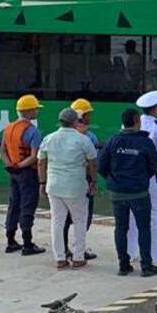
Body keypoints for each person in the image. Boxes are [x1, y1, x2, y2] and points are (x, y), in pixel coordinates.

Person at [98, 108, 157, 277]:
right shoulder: (145, 142)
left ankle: (123, 265)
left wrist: (115, 180)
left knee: (121, 228)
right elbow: (153, 167)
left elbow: (101, 167)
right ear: (137, 121)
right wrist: (140, 179)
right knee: (144, 228)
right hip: (139, 193)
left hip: (117, 193)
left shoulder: (113, 141)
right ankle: (146, 266)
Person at [37, 108, 97, 270]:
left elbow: (41, 162)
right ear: (75, 122)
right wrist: (93, 181)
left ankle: (60, 258)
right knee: (79, 220)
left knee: (57, 221)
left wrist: (42, 183)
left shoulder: (49, 138)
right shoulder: (83, 140)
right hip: (76, 186)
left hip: (54, 185)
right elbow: (92, 162)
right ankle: (78, 257)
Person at [127, 90, 157, 264]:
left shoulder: (130, 126)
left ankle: (131, 252)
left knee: (132, 213)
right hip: (152, 175)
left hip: (132, 174)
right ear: (156, 108)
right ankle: (154, 253)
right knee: (153, 213)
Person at [0, 94, 46, 255]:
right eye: (35, 109)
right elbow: (34, 156)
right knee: (27, 205)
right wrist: (20, 165)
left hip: (13, 172)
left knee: (13, 204)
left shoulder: (8, 128)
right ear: (29, 111)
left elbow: (2, 151)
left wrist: (11, 165)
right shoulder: (33, 131)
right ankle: (27, 244)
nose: (37, 112)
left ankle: (10, 240)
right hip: (27, 172)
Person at [62, 98, 99, 263]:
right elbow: (92, 163)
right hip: (82, 180)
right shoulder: (89, 137)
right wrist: (93, 181)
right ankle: (79, 251)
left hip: (62, 179)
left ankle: (63, 250)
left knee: (62, 219)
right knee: (83, 218)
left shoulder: (59, 135)